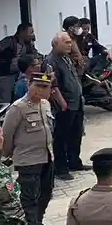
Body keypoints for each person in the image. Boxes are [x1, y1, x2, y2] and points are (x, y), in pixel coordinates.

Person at [1, 70, 57, 225]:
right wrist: (8, 155)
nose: (41, 91)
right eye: (37, 86)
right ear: (29, 86)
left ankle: (38, 224)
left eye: (45, 87)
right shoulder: (18, 108)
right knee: (29, 200)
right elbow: (6, 135)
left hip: (46, 157)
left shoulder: (45, 105)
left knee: (46, 193)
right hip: (27, 161)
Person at [46, 31, 85, 181]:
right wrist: (62, 103)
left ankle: (74, 161)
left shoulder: (66, 58)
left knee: (75, 134)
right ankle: (61, 168)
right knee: (61, 137)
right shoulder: (51, 61)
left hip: (77, 103)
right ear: (56, 44)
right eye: (66, 43)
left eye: (70, 42)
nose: (70, 45)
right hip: (64, 106)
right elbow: (52, 85)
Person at [0, 23, 36, 103]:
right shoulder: (9, 41)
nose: (32, 35)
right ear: (22, 32)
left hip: (20, 74)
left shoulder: (27, 44)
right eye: (30, 32)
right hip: (5, 75)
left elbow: (35, 54)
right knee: (5, 101)